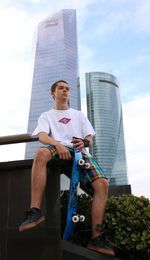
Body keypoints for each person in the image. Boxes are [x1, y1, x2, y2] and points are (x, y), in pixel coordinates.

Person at [19, 80, 115, 256]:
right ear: (53, 94)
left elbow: (89, 139)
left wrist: (85, 142)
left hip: (79, 152)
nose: (65, 91)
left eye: (67, 89)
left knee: (102, 184)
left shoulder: (78, 115)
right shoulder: (46, 115)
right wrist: (57, 144)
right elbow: (41, 136)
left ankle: (96, 238)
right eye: (61, 88)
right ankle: (35, 211)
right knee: (41, 153)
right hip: (57, 148)